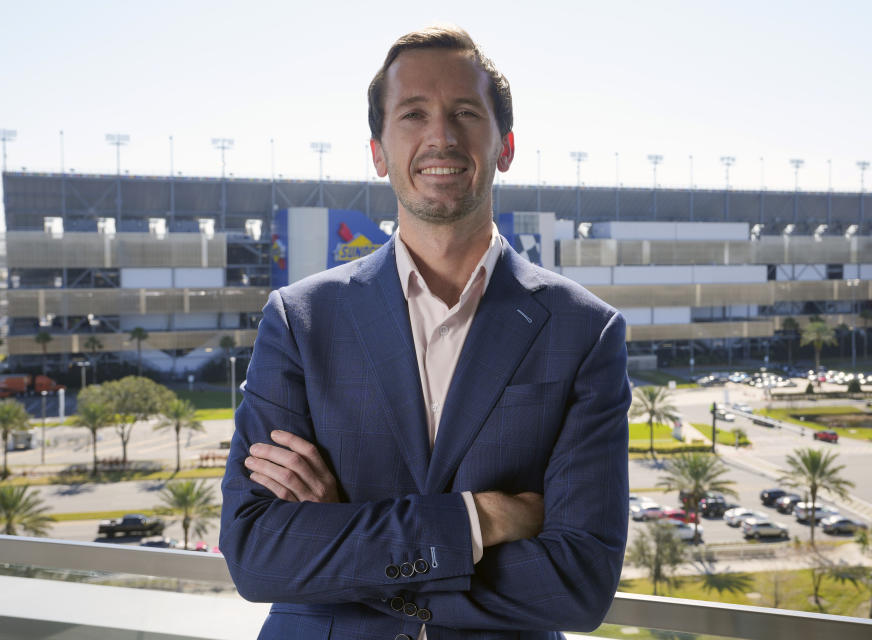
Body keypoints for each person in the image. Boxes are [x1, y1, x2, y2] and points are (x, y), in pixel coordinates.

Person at [219, 25, 631, 640]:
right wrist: (478, 519)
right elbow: (256, 552)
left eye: (465, 112)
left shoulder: (584, 332)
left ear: (505, 146)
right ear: (379, 151)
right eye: (413, 114)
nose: (441, 135)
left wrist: (346, 542)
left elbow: (576, 584)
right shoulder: (301, 320)